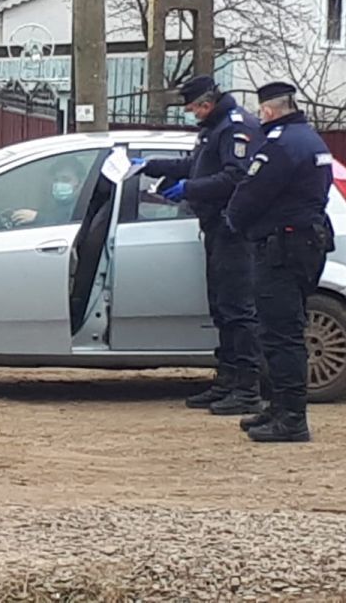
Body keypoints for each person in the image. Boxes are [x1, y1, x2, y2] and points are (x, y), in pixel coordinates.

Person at [137, 75, 265, 415]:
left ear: (207, 103)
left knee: (238, 311)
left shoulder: (236, 128)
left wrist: (189, 189)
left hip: (234, 230)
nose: (193, 114)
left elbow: (235, 177)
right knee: (222, 308)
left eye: (194, 108)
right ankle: (227, 381)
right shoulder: (214, 127)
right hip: (216, 228)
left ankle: (247, 389)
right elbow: (195, 166)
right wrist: (151, 165)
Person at [225, 81, 334, 443]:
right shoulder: (310, 139)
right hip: (304, 244)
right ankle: (279, 407)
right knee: (284, 329)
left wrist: (235, 222)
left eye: (261, 112)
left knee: (281, 334)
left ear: (269, 110)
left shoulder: (281, 145)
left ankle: (291, 418)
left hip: (282, 249)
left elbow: (250, 194)